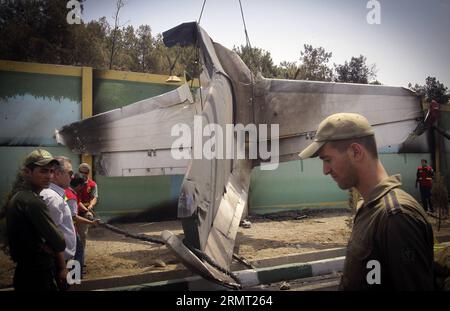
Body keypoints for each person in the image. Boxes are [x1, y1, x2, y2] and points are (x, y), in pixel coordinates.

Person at [298, 113, 434, 290]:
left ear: (356, 152)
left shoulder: (396, 217)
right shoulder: (370, 207)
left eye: (328, 159)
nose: (325, 170)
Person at [4, 149, 68, 291]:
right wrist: (51, 243)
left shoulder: (20, 196)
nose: (49, 176)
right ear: (27, 172)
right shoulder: (33, 202)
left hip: (26, 271)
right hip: (37, 275)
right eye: (43, 171)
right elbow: (59, 242)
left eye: (51, 171)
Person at [40, 156, 77, 264]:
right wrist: (62, 267)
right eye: (70, 173)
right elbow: (51, 235)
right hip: (58, 261)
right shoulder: (52, 198)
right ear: (56, 174)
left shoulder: (54, 194)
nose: (73, 177)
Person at [65, 173, 99, 275]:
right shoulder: (71, 197)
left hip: (67, 229)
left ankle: (71, 276)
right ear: (79, 185)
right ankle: (75, 277)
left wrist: (87, 211)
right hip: (69, 230)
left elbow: (79, 203)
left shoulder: (67, 191)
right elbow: (74, 217)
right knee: (77, 251)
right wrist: (91, 222)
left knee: (75, 250)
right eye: (83, 185)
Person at [77, 163, 98, 251]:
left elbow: (94, 197)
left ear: (88, 173)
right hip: (74, 209)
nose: (83, 174)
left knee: (82, 234)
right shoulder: (73, 181)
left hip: (84, 211)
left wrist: (91, 205)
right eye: (81, 172)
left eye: (85, 172)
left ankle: (81, 257)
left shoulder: (92, 184)